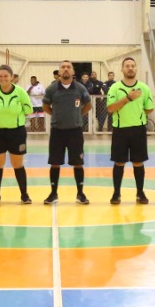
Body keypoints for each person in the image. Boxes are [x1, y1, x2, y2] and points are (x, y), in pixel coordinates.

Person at [105, 56, 154, 205]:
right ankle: (116, 193)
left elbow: (149, 108)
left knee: (138, 162)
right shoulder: (115, 88)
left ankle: (140, 193)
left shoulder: (144, 88)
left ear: (136, 68)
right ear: (122, 69)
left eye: (133, 65)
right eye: (127, 66)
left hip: (138, 130)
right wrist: (128, 98)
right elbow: (110, 108)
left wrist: (136, 115)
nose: (130, 68)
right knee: (119, 162)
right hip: (120, 130)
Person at [0, 64, 32, 205]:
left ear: (12, 77)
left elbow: (28, 110)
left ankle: (24, 195)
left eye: (6, 76)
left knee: (18, 164)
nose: (3, 79)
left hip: (16, 132)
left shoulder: (21, 92)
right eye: (0, 76)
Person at [43, 60, 92, 204]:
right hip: (57, 131)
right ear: (58, 72)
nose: (65, 69)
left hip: (75, 131)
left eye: (68, 67)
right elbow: (46, 106)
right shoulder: (52, 89)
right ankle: (53, 193)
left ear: (73, 72)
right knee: (55, 163)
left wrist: (77, 115)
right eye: (63, 67)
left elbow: (88, 105)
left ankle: (80, 193)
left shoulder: (80, 88)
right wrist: (56, 115)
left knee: (78, 163)